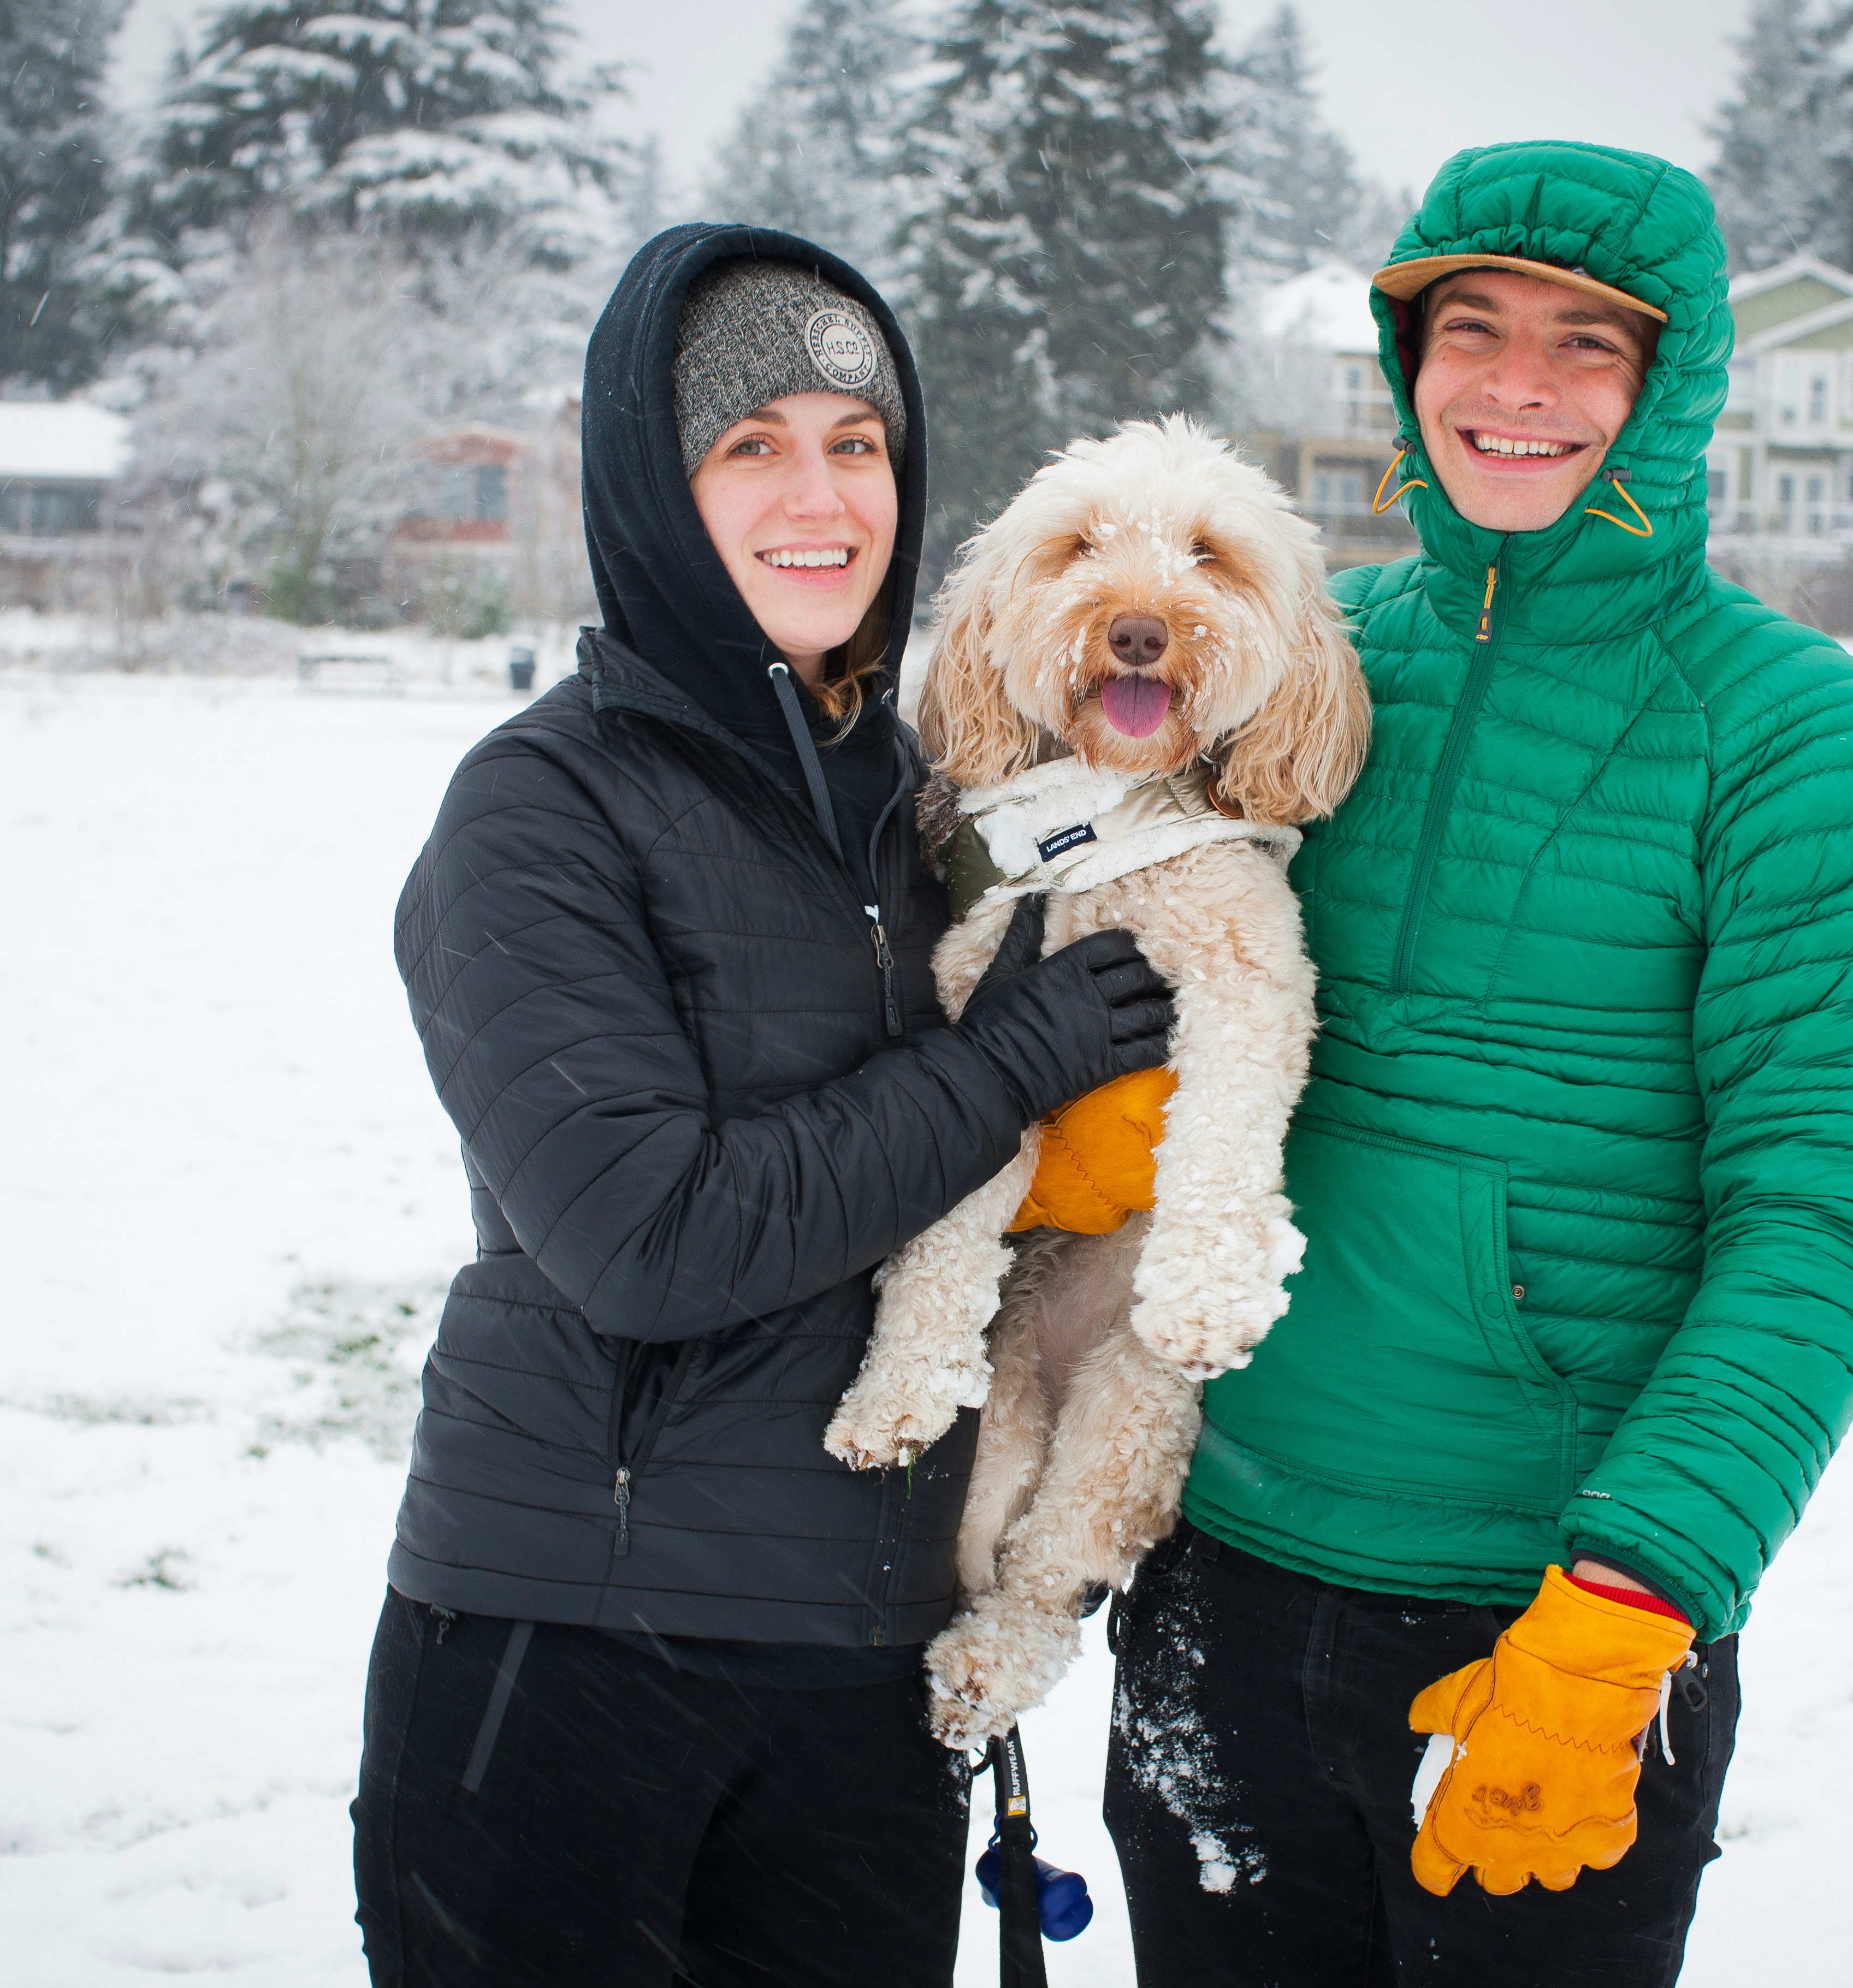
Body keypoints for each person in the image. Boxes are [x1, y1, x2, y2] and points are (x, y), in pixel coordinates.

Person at [1099, 141, 1853, 1984]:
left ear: (1675, 384)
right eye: (1468, 329)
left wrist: (1632, 1599)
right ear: (1405, 363)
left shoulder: (1795, 737)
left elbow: (1835, 1226)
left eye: (1587, 344)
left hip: (1548, 1625)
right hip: (1222, 1576)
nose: (1515, 385)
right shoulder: (1306, 660)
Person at [351, 223, 1176, 1987]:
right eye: (750, 445)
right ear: (657, 484)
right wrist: (1016, 1065)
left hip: (867, 1676)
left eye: (855, 442)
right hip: (568, 1654)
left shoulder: (941, 803)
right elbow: (648, 1236)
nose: (821, 496)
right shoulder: (538, 814)